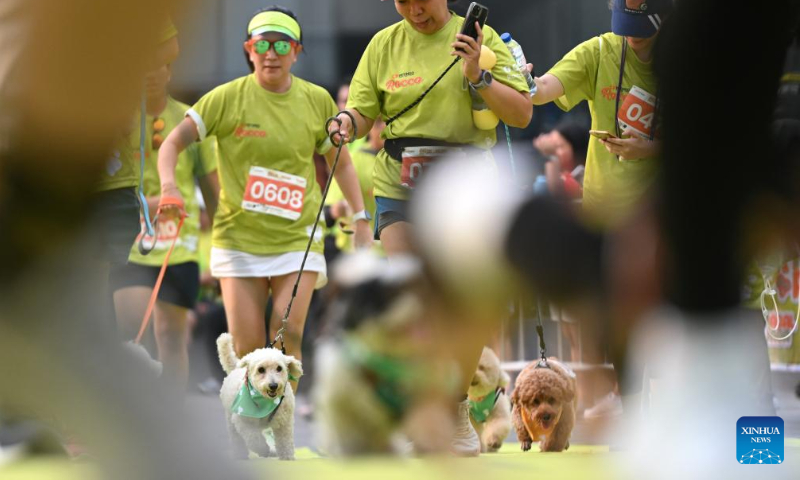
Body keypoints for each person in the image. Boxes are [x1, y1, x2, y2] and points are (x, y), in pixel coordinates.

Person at [328, 0, 532, 456]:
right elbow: (362, 113)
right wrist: (346, 123)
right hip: (399, 185)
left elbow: (521, 114)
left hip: (466, 191)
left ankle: (454, 406)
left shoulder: (482, 36)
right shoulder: (383, 44)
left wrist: (477, 72)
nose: (413, 10)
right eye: (402, 2)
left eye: (420, 0)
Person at [157, 6, 372, 382]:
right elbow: (172, 143)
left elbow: (341, 162)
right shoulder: (224, 98)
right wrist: (169, 187)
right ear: (248, 49)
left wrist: (360, 218)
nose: (271, 52)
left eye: (281, 43)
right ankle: (250, 431)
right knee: (250, 352)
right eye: (262, 44)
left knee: (286, 339)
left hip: (297, 238)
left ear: (297, 51)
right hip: (240, 240)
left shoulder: (317, 100)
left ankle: (282, 429)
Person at [110, 60, 220, 391]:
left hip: (179, 245)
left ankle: (173, 411)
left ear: (170, 70)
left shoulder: (190, 120)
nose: (150, 74)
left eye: (157, 66)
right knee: (133, 326)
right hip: (132, 243)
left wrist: (219, 248)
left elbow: (213, 191)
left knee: (172, 336)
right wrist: (146, 205)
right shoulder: (118, 119)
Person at [530, 0, 669, 228]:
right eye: (626, 23)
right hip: (599, 212)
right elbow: (542, 89)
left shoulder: (681, 59)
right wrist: (524, 80)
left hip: (655, 215)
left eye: (641, 25)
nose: (632, 34)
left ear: (664, 17)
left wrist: (648, 148)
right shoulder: (600, 51)